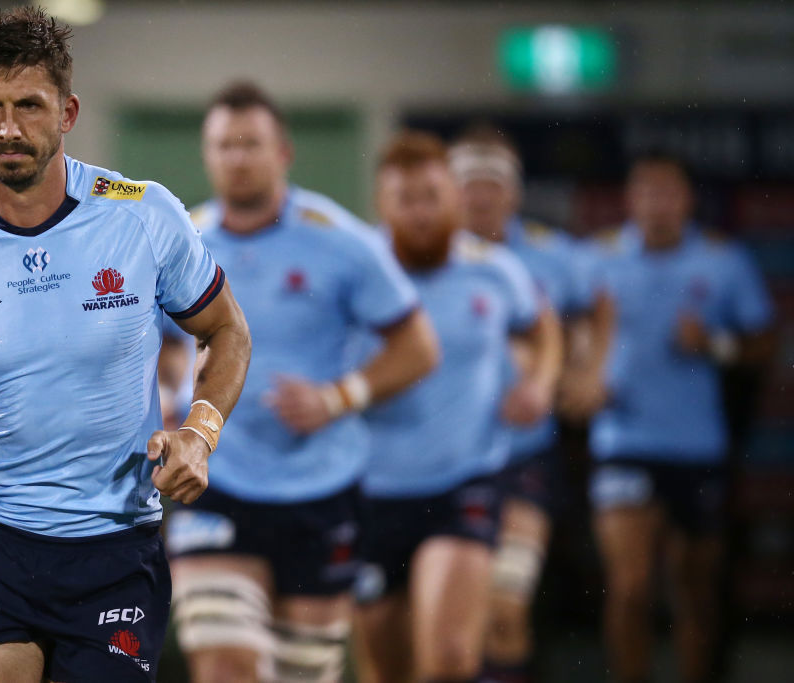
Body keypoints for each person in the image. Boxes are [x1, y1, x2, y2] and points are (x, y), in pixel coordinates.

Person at [0, 8, 250, 682]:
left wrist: (199, 432)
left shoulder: (143, 216)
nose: (8, 128)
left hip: (115, 547)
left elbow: (226, 330)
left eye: (29, 105)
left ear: (67, 112)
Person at [162, 83, 439, 683]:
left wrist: (340, 397)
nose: (237, 157)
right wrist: (162, 403)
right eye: (223, 145)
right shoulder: (182, 241)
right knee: (228, 666)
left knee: (302, 674)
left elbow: (418, 346)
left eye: (251, 143)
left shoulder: (339, 240)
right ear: (207, 155)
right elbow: (152, 345)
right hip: (216, 482)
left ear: (283, 152)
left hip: (322, 489)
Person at [352, 131, 557, 683]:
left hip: (464, 484)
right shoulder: (354, 269)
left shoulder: (495, 268)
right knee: (386, 669)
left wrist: (539, 381)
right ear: (382, 205)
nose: (420, 212)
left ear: (452, 197)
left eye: (431, 196)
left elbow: (541, 328)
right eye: (405, 199)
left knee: (449, 661)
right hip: (369, 492)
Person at [584, 152, 774, 683]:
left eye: (667, 192)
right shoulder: (598, 259)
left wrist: (714, 343)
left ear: (687, 200)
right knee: (630, 585)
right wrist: (583, 371)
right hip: (622, 441)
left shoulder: (722, 261)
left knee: (693, 591)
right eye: (645, 192)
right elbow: (558, 327)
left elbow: (764, 341)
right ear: (629, 199)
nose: (656, 204)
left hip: (697, 447)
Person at [446, 126, 606, 682]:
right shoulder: (415, 253)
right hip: (434, 468)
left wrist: (585, 369)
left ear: (513, 193)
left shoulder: (552, 255)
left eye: (493, 185)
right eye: (469, 184)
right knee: (442, 626)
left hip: (522, 461)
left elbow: (596, 306)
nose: (480, 197)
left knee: (504, 610)